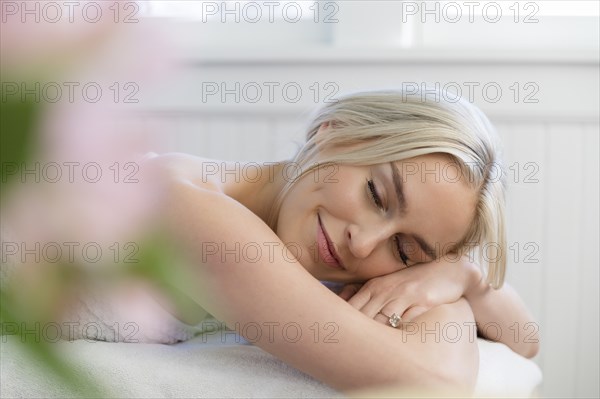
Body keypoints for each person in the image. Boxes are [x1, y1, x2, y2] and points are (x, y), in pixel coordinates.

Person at [140, 89, 539, 394]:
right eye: (376, 195)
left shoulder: (320, 245)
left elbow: (524, 339)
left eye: (404, 250)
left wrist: (462, 275)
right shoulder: (188, 204)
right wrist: (452, 284)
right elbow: (430, 383)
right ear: (333, 133)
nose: (363, 244)